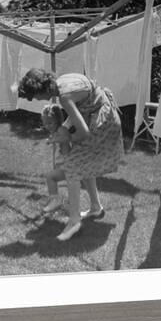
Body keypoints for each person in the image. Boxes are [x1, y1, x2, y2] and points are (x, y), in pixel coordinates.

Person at [19, 69, 124, 241]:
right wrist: (65, 130)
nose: (36, 100)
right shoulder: (63, 81)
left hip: (102, 124)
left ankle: (74, 220)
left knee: (73, 166)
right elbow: (83, 108)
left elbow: (84, 133)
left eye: (35, 96)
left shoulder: (64, 97)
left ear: (41, 90)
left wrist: (64, 137)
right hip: (104, 118)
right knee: (82, 164)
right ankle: (96, 207)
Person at [41, 103, 71, 213]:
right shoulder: (55, 132)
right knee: (68, 186)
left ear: (58, 120)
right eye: (45, 124)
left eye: (50, 123)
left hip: (68, 165)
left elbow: (67, 138)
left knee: (50, 177)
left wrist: (53, 140)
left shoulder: (61, 129)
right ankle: (65, 203)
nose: (47, 126)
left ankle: (56, 200)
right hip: (63, 165)